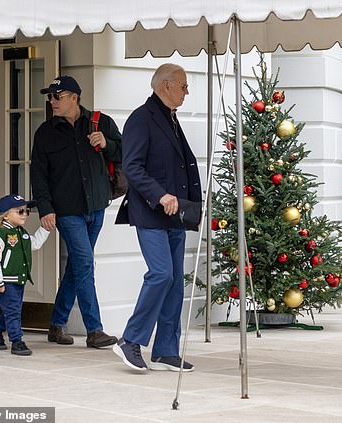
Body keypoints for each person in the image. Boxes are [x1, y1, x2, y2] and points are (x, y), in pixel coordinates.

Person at [113, 64, 201, 372]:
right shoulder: (141, 118)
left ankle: (165, 350)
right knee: (161, 274)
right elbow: (133, 167)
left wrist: (193, 206)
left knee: (175, 282)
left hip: (175, 215)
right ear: (165, 86)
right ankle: (131, 340)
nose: (186, 91)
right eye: (183, 86)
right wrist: (160, 195)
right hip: (151, 211)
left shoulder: (171, 118)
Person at [31, 75, 120, 348]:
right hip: (67, 212)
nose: (52, 102)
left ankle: (57, 325)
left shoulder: (101, 122)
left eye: (57, 97)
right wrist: (45, 209)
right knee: (84, 264)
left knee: (76, 267)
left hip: (97, 207)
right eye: (50, 97)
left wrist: (107, 143)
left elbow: (125, 153)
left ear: (74, 98)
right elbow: (39, 175)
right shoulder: (45, 132)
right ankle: (94, 330)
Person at [0, 195, 50, 356]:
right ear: (5, 215)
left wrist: (45, 229)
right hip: (6, 280)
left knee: (12, 309)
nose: (25, 214)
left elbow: (34, 244)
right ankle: (17, 341)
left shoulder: (21, 233)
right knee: (13, 311)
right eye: (20, 211)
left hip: (19, 280)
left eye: (27, 211)